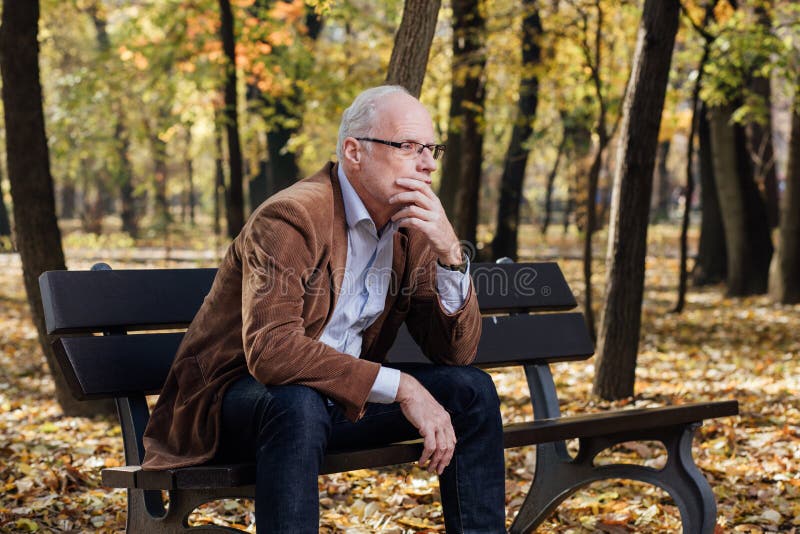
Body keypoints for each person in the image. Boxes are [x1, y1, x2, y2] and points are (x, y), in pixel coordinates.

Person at [142, 85, 506, 533]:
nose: (428, 163)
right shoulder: (291, 217)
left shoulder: (411, 230)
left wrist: (451, 253)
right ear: (354, 151)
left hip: (331, 400)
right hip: (231, 404)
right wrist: (404, 387)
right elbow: (272, 351)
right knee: (297, 403)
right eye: (409, 147)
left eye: (432, 149)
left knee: (472, 390)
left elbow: (456, 354)